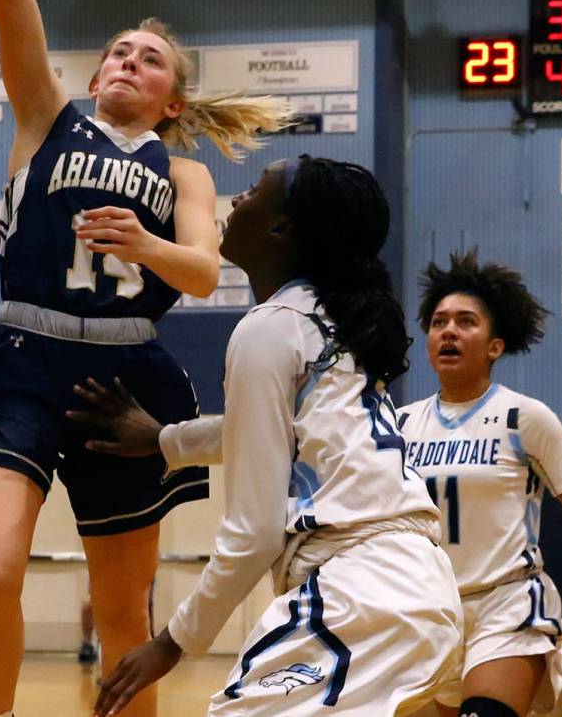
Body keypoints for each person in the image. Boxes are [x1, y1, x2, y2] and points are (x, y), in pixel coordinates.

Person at [0, 0, 292, 717]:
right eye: (119, 50)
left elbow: (199, 272)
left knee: (120, 607)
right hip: (23, 353)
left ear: (169, 97)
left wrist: (143, 243)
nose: (129, 61)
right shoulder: (44, 117)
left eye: (148, 60)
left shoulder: (179, 168)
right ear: (96, 69)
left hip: (122, 373)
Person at [72, 155, 463, 717]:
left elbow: (253, 533)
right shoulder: (331, 323)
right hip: (418, 587)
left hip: (361, 592)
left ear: (281, 228)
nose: (237, 200)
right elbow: (284, 436)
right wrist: (168, 442)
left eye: (255, 190)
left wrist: (172, 641)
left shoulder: (273, 327)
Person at [397, 250, 562, 717]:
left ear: (495, 346)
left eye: (466, 322)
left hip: (508, 604)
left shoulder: (526, 417)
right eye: (439, 321)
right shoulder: (400, 425)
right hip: (433, 612)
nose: (449, 331)